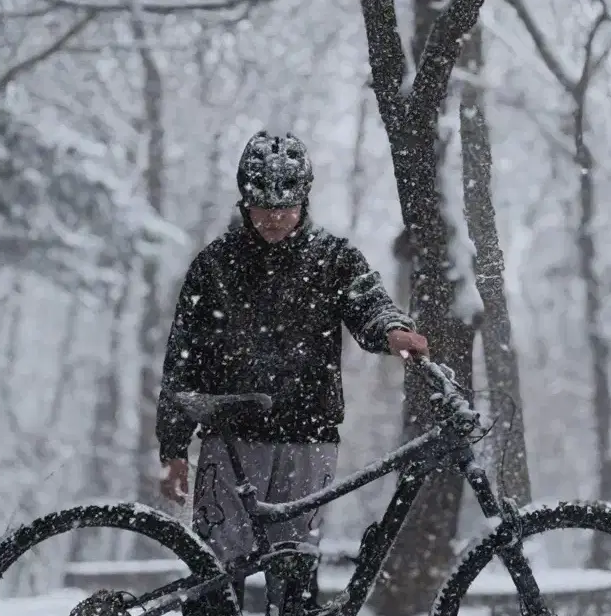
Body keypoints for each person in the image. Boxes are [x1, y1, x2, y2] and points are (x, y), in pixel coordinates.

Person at [155, 130, 428, 616]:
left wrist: (392, 332)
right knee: (216, 576)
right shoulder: (215, 265)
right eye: (262, 206)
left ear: (305, 198)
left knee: (297, 576)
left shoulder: (333, 258)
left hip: (309, 436)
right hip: (231, 437)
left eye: (286, 205)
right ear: (245, 201)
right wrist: (174, 449)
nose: (275, 217)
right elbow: (183, 361)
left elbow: (370, 305)